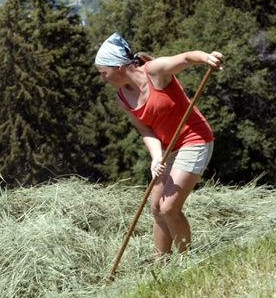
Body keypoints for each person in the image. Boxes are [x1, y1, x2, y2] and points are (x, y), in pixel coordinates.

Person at [95, 33, 223, 255]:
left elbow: (185, 58)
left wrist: (206, 58)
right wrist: (156, 157)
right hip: (168, 148)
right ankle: (160, 264)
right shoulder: (122, 97)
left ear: (117, 67)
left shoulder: (154, 71)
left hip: (194, 139)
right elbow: (145, 129)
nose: (103, 79)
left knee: (169, 208)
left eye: (103, 73)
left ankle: (187, 261)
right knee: (156, 207)